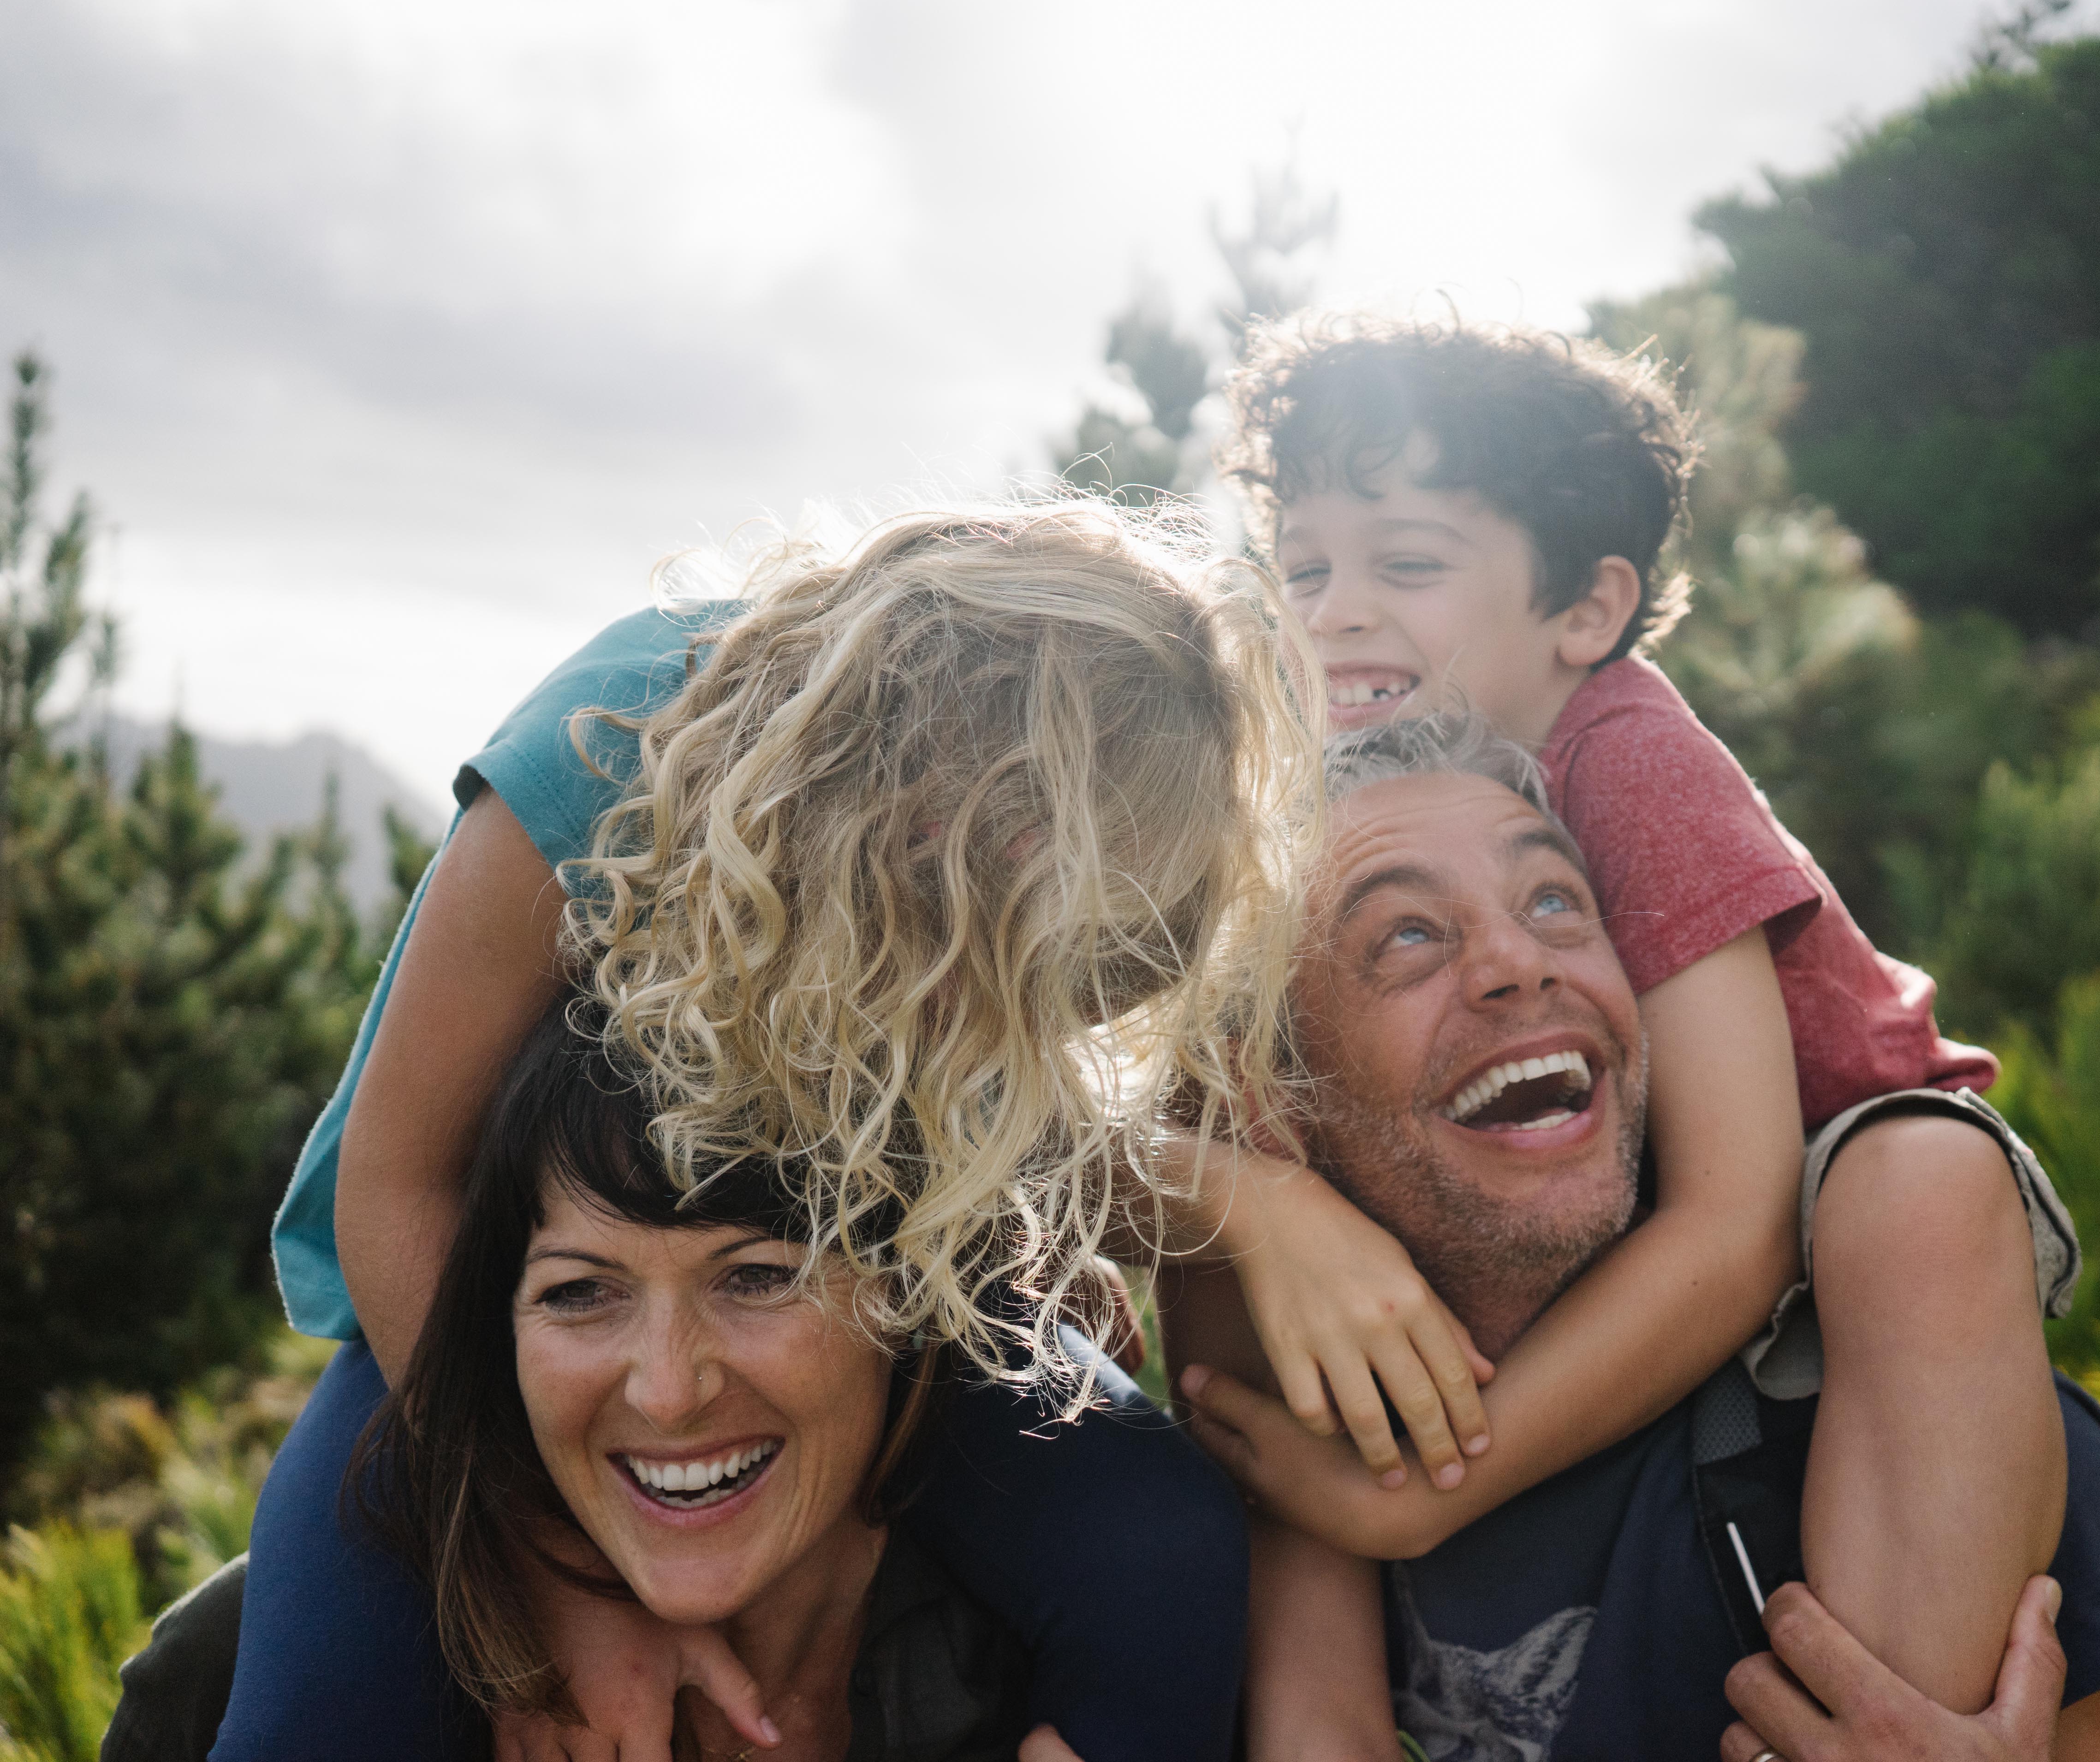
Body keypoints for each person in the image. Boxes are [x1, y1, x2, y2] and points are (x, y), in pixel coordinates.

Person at [211, 501, 1316, 1762]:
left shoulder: (1067, 877)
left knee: (1158, 1543)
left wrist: (1036, 1260)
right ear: (915, 765)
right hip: (484, 1326)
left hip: (847, 1302)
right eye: (988, 898)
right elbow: (401, 1191)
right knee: (315, 1721)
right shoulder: (611, 742)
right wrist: (566, 1589)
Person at [1178, 316, 2079, 1750]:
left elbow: (1736, 1227)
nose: (1334, 614)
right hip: (1677, 1229)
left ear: (1585, 613)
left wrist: (1432, 1489)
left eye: (1406, 564)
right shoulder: (1315, 824)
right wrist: (1255, 1196)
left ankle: (1889, 1714)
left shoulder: (1627, 760)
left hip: (1860, 1210)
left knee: (1914, 1198)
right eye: (1304, 571)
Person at [1173, 719, 2100, 1760]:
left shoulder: (1927, 1424)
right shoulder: (1296, 1462)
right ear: (1276, 1092)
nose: (1518, 961)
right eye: (1406, 934)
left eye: (1557, 903)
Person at [115, 1000, 1092, 1760]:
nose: (668, 1389)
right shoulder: (243, 1669)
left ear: (906, 1296)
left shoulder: (1066, 1673)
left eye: (757, 1275)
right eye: (581, 1292)